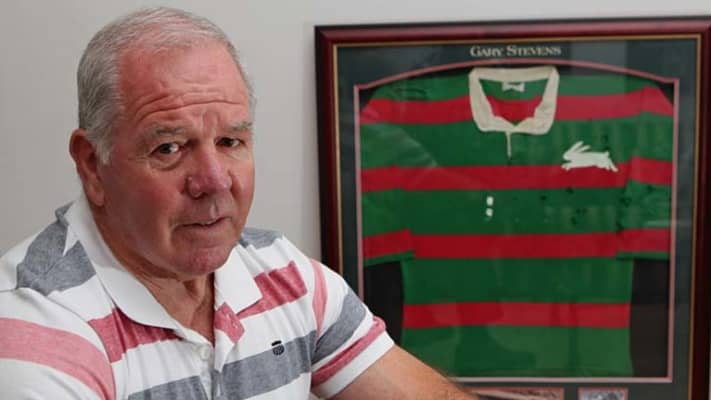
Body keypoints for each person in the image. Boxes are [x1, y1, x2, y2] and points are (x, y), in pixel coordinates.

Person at [0, 7, 477, 400]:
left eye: (230, 141)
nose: (214, 181)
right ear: (92, 165)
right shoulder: (35, 330)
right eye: (169, 147)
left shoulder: (284, 275)